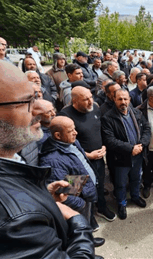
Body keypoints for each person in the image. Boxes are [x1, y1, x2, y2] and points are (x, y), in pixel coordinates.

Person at [0, 53, 94, 258]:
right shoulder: (11, 220)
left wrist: (40, 194)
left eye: (36, 96)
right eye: (25, 101)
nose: (40, 108)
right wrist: (78, 223)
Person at [39, 116, 107, 252]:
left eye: (74, 128)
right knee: (78, 227)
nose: (76, 132)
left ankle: (89, 239)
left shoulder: (71, 142)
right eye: (71, 130)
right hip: (79, 200)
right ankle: (85, 248)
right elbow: (61, 194)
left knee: (87, 222)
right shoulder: (52, 160)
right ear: (58, 135)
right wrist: (81, 204)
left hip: (84, 190)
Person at [59, 86, 115, 222]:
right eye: (85, 99)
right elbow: (65, 143)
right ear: (75, 101)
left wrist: (104, 146)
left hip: (98, 158)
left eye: (91, 97)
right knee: (77, 190)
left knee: (99, 184)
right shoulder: (65, 115)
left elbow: (100, 129)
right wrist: (88, 155)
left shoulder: (95, 108)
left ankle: (101, 207)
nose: (91, 101)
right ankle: (85, 218)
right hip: (77, 162)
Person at [101, 89, 151, 220]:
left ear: (129, 99)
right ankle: (122, 204)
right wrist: (130, 149)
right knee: (121, 183)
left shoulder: (137, 112)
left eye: (125, 99)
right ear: (114, 99)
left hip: (138, 155)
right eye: (120, 99)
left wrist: (142, 144)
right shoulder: (108, 118)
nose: (123, 102)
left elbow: (147, 128)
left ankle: (135, 196)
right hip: (121, 159)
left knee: (136, 178)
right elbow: (110, 140)